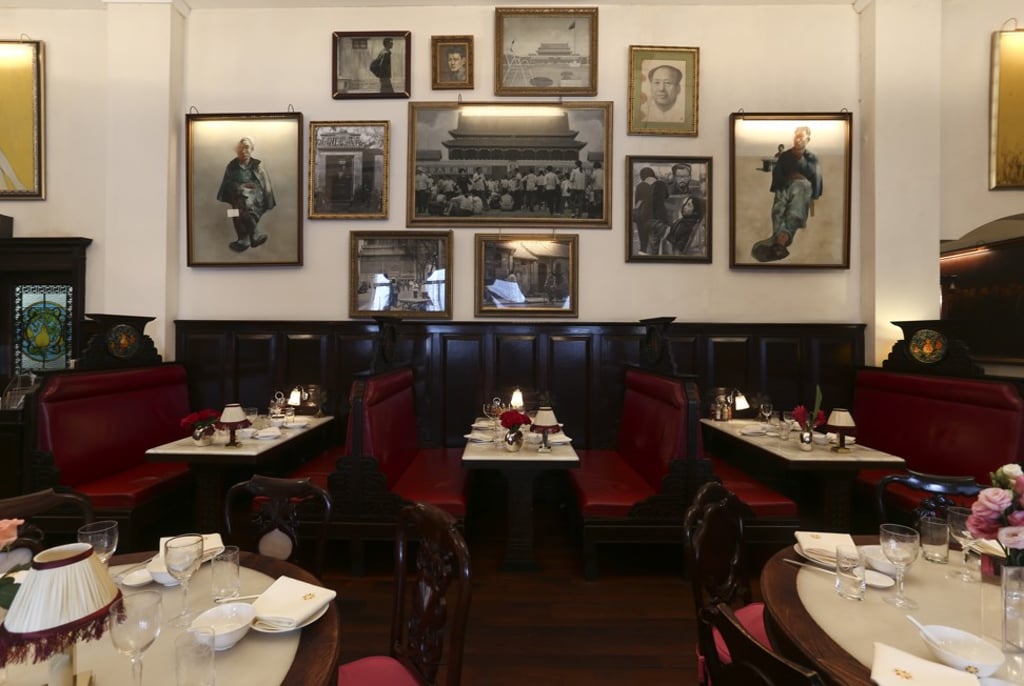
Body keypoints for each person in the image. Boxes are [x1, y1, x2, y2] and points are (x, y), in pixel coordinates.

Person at [751, 125, 822, 263]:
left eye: (801, 136)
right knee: (779, 207)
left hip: (803, 187)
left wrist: (813, 192)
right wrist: (786, 180)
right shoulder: (785, 156)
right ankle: (779, 238)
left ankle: (783, 238)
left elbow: (816, 178)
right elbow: (777, 173)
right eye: (796, 136)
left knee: (795, 208)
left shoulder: (812, 158)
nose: (798, 139)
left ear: (808, 139)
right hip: (785, 185)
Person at [216, 136, 275, 253]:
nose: (243, 151)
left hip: (256, 199)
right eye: (240, 148)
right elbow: (227, 185)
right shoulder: (232, 165)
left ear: (252, 148)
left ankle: (243, 239)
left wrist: (265, 200)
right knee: (237, 206)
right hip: (238, 198)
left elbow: (266, 187)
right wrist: (239, 188)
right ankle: (253, 235)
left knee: (240, 203)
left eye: (247, 147)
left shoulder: (257, 165)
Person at [632, 167, 670, 255]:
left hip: (645, 217)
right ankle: (661, 252)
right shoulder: (662, 184)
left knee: (642, 229)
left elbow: (637, 203)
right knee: (659, 238)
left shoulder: (640, 186)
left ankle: (643, 249)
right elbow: (666, 196)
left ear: (642, 176)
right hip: (661, 217)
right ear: (653, 174)